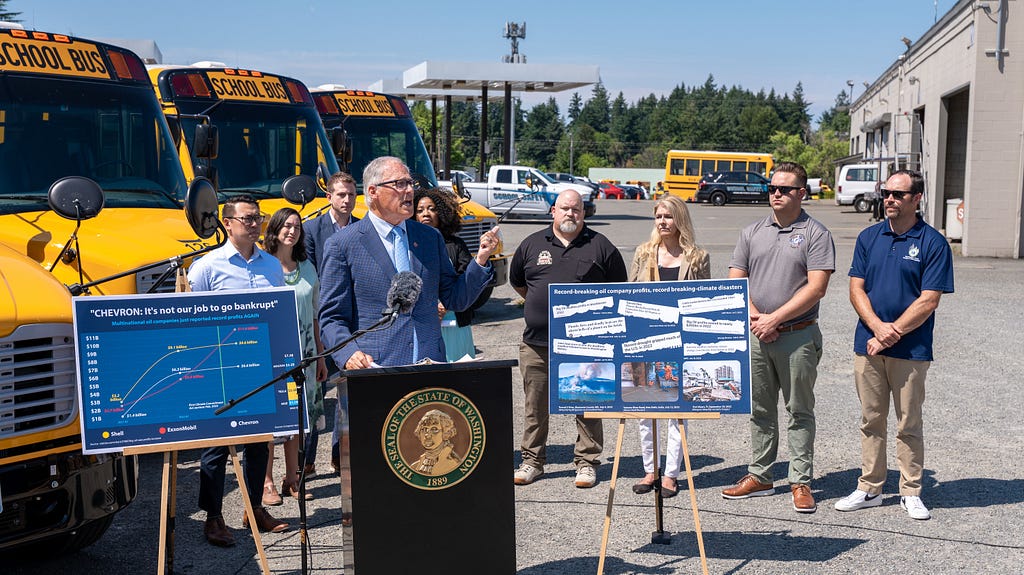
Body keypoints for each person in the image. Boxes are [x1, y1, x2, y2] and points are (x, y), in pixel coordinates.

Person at [834, 169, 954, 520]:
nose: (889, 198)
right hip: (868, 346)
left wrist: (892, 332)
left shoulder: (932, 242)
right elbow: (856, 288)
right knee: (871, 419)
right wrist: (875, 327)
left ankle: (911, 490)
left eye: (898, 194)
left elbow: (929, 300)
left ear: (916, 199)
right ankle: (870, 487)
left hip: (910, 350)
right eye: (886, 192)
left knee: (908, 423)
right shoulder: (869, 237)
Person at [721, 161, 835, 514]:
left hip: (797, 336)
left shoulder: (816, 233)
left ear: (802, 193)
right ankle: (761, 475)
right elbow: (735, 279)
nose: (776, 194)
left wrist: (775, 318)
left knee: (799, 410)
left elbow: (817, 287)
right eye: (772, 188)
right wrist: (757, 317)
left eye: (785, 189)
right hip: (757, 335)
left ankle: (800, 481)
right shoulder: (752, 231)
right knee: (760, 409)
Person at [318, 156, 498, 370]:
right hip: (375, 369)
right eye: (399, 184)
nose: (410, 191)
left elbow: (455, 299)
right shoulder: (343, 244)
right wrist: (348, 354)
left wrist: (481, 260)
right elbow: (331, 317)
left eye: (410, 183)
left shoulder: (430, 238)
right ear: (373, 192)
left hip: (430, 365)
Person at [186, 194, 289, 547]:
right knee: (217, 446)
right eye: (247, 218)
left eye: (257, 218)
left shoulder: (271, 266)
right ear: (227, 223)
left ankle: (253, 508)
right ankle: (213, 517)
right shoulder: (207, 267)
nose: (254, 223)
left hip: (261, 366)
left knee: (260, 442)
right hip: (220, 369)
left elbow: (278, 315)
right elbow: (192, 321)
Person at [510, 190, 628, 489]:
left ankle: (587, 463)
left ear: (583, 213)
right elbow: (520, 284)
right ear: (553, 211)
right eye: (564, 209)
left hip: (585, 345)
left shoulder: (601, 246)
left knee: (587, 402)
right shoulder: (531, 245)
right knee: (535, 407)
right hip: (537, 343)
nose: (570, 214)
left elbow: (618, 292)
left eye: (576, 210)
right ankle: (532, 461)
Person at [627, 196, 710, 498]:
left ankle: (671, 474)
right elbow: (629, 296)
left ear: (680, 220)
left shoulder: (697, 256)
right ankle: (651, 470)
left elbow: (704, 299)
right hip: (645, 340)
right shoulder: (643, 252)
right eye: (658, 216)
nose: (662, 222)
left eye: (668, 217)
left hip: (682, 342)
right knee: (644, 407)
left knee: (677, 411)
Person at [260, 208, 325, 506]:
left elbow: (315, 315)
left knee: (297, 419)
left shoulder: (307, 266)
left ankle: (293, 478)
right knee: (273, 421)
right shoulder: (263, 266)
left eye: (297, 226)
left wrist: (321, 356)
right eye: (286, 226)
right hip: (272, 354)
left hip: (306, 353)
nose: (292, 231)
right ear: (273, 230)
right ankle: (267, 481)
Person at [303, 171, 358, 475]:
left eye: (350, 194)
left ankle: (341, 456)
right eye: (341, 194)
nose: (346, 200)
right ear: (329, 197)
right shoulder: (312, 230)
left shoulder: (363, 228)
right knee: (316, 396)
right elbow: (312, 280)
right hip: (322, 320)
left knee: (346, 396)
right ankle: (307, 462)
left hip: (352, 324)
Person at [413, 187, 476, 361]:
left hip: (456, 320)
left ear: (442, 213)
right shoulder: (409, 244)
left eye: (431, 209)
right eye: (420, 210)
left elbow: (467, 278)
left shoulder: (456, 245)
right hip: (423, 321)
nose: (426, 213)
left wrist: (446, 304)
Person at [410, 409, 463, 476]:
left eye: (434, 429)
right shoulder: (414, 467)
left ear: (445, 433)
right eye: (424, 429)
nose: (427, 435)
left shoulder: (454, 465)